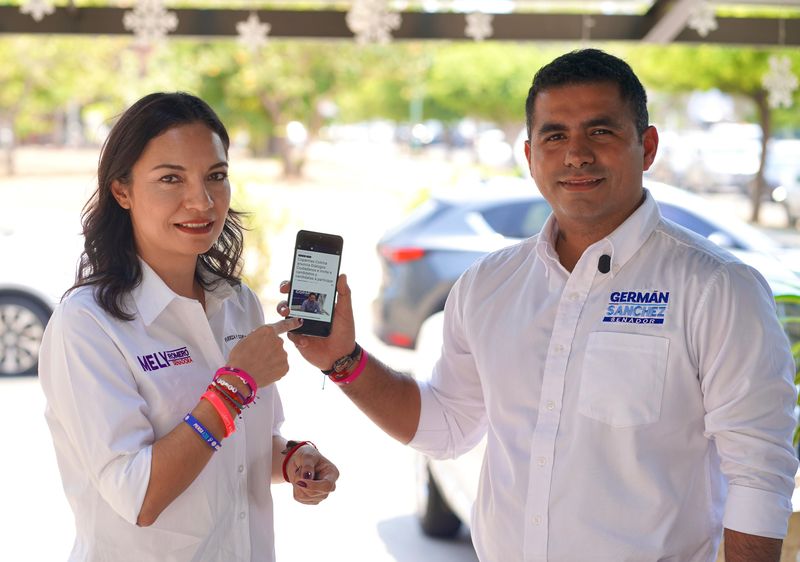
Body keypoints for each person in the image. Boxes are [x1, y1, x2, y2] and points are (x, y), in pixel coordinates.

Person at [279, 49, 798, 561]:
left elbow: (760, 474)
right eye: (555, 136)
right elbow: (448, 428)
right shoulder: (487, 285)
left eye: (600, 131)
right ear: (530, 156)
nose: (576, 154)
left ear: (648, 145)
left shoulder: (719, 287)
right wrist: (342, 360)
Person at [39, 92, 339, 562]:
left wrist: (292, 459)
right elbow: (140, 497)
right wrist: (235, 385)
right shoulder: (87, 324)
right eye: (170, 178)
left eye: (215, 177)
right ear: (122, 191)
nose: (201, 201)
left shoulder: (238, 303)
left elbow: (243, 449)